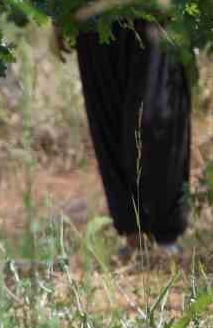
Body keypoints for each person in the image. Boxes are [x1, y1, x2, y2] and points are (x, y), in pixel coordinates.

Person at [74, 18, 193, 259]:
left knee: (156, 118)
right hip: (91, 3)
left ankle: (165, 236)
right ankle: (133, 233)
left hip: (152, 5)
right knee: (107, 116)